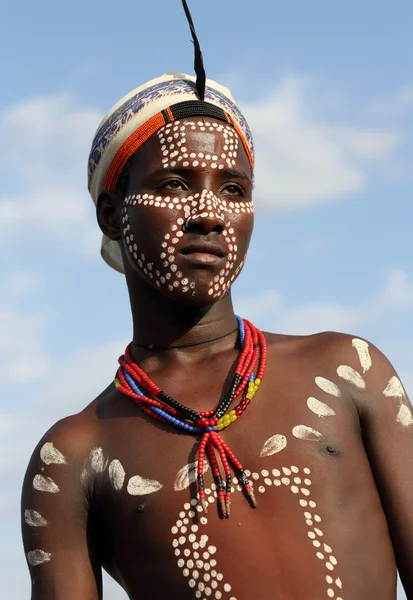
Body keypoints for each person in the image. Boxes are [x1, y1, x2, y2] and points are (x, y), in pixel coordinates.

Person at [21, 3, 413, 599]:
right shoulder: (75, 457)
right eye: (174, 184)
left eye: (234, 190)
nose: (208, 213)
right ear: (111, 214)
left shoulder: (347, 370)